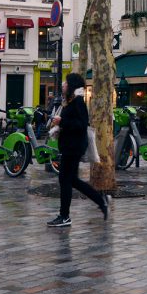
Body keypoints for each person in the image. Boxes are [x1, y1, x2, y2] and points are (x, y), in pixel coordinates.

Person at [47, 72, 109, 227]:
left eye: (66, 83)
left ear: (72, 85)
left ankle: (64, 216)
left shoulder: (78, 102)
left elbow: (81, 125)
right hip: (70, 146)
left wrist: (62, 121)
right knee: (72, 180)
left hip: (73, 147)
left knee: (65, 180)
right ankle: (101, 200)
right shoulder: (70, 101)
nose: (63, 85)